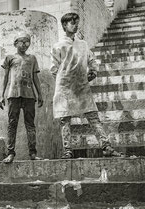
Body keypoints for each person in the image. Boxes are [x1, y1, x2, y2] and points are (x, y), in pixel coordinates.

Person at [50, 13, 124, 158]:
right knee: (65, 119)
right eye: (72, 23)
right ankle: (67, 150)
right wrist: (65, 79)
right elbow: (53, 69)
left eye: (77, 22)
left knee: (93, 117)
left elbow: (92, 60)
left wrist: (93, 72)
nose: (75, 25)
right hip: (64, 88)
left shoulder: (82, 44)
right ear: (64, 25)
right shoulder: (58, 46)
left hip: (82, 86)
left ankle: (106, 146)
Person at [0, 32, 44, 164]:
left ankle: (33, 153)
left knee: (30, 125)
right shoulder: (9, 58)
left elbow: (35, 77)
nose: (24, 44)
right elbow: (6, 77)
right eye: (21, 41)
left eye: (27, 42)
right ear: (15, 43)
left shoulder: (32, 58)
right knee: (12, 124)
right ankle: (10, 153)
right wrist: (2, 94)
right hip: (13, 95)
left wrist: (40, 94)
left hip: (29, 96)